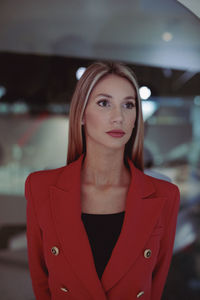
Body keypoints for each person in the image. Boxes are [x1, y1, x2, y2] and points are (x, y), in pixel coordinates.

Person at [25, 61, 180, 300]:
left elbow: (155, 287)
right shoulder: (40, 188)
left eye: (128, 105)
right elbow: (41, 281)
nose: (118, 117)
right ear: (82, 115)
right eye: (104, 103)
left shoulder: (164, 195)